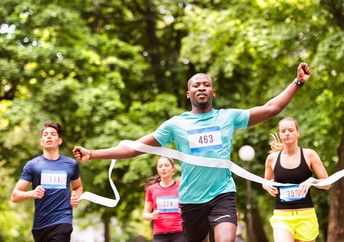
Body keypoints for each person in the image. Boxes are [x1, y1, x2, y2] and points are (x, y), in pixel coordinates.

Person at [73, 63, 311, 242]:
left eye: (206, 84)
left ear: (213, 92)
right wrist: (93, 153)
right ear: (188, 94)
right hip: (190, 200)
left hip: (222, 193)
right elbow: (134, 148)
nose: (201, 87)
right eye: (196, 85)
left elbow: (271, 108)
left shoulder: (227, 117)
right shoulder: (176, 125)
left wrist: (297, 82)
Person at [11, 121, 83, 242]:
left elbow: (78, 187)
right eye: (45, 134)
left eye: (53, 134)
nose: (49, 136)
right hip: (41, 225)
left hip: (63, 220)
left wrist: (76, 196)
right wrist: (32, 193)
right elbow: (15, 196)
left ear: (59, 140)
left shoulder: (71, 164)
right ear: (41, 141)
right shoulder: (32, 165)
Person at [262, 117, 331, 242]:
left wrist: (312, 181)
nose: (287, 133)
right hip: (282, 217)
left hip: (306, 216)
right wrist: (267, 186)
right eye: (283, 131)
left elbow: (327, 184)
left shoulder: (309, 155)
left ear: (297, 132)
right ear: (279, 134)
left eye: (290, 130)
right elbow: (266, 182)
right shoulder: (272, 159)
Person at [143, 156, 186, 242]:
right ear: (157, 169)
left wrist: (183, 211)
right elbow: (145, 214)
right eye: (160, 166)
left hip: (180, 233)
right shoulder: (152, 189)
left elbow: (191, 208)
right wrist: (152, 215)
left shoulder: (181, 187)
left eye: (166, 165)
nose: (163, 168)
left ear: (173, 169)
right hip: (159, 234)